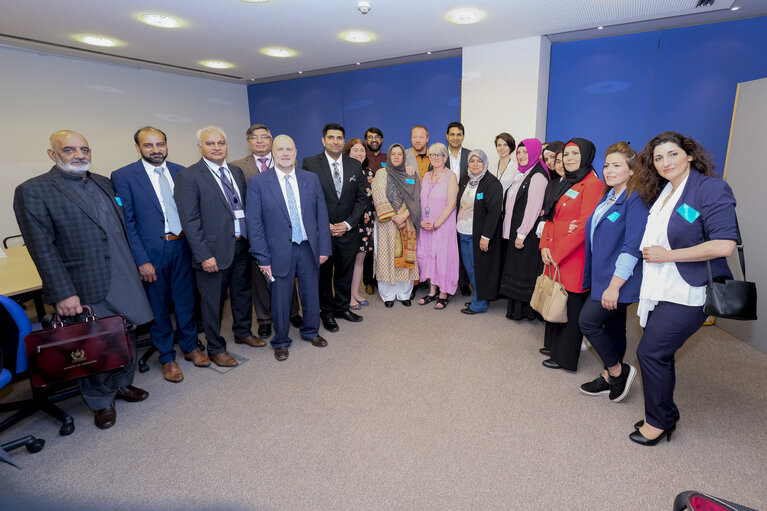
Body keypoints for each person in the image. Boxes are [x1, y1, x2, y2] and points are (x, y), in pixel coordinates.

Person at [13, 130, 153, 429]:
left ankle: (122, 384)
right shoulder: (34, 190)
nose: (80, 155)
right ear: (53, 154)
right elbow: (42, 248)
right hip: (83, 283)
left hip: (123, 275)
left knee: (124, 334)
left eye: (85, 149)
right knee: (94, 343)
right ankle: (101, 401)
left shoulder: (103, 182)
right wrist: (63, 293)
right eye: (69, 150)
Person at [630, 132, 737, 445]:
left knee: (650, 352)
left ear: (690, 155)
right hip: (660, 288)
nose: (666, 163)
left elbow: (724, 245)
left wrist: (668, 255)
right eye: (659, 158)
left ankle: (658, 422)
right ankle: (665, 414)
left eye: (673, 154)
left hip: (689, 290)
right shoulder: (664, 193)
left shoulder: (710, 189)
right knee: (660, 354)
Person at [111, 127, 205, 383]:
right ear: (138, 148)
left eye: (160, 144)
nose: (156, 150)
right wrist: (142, 260)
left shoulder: (180, 171)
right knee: (159, 306)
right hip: (152, 253)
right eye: (149, 145)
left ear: (166, 144)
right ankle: (166, 356)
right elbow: (127, 222)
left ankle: (190, 346)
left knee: (186, 302)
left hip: (183, 246)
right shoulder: (124, 176)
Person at [175, 126, 259, 368]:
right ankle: (215, 347)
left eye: (220, 143)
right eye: (210, 143)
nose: (216, 147)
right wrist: (204, 255)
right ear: (200, 147)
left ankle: (243, 332)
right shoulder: (189, 177)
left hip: (241, 245)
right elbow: (189, 221)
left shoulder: (235, 171)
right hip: (212, 253)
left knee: (242, 294)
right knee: (212, 303)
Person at [247, 135, 332, 361]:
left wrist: (324, 247)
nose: (285, 153)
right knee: (280, 299)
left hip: (307, 247)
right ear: (272, 153)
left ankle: (311, 331)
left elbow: (321, 216)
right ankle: (281, 341)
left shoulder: (310, 179)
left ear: (296, 152)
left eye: (289, 149)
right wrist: (262, 258)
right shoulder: (258, 182)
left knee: (311, 294)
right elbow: (254, 223)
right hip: (277, 252)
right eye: (280, 149)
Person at [578, 142, 651, 403]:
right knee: (615, 327)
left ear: (632, 170)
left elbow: (632, 246)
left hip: (619, 279)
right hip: (603, 274)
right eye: (606, 165)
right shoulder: (609, 197)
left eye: (616, 165)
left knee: (587, 322)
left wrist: (614, 286)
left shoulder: (635, 199)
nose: (609, 170)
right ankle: (609, 377)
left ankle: (619, 371)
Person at [231, 124, 301, 340]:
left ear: (272, 142)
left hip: (286, 231)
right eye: (254, 138)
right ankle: (264, 319)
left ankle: (292, 312)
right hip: (257, 231)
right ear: (248, 142)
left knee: (288, 273)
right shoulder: (237, 167)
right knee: (261, 278)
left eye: (264, 137)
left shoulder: (289, 161)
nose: (260, 141)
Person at [539, 138, 603, 370]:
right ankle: (553, 347)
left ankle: (565, 358)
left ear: (586, 155)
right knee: (555, 300)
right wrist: (545, 245)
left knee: (570, 307)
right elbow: (551, 217)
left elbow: (585, 225)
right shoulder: (566, 181)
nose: (569, 158)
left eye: (575, 153)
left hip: (573, 257)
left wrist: (557, 252)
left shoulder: (593, 184)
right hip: (554, 252)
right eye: (566, 154)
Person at [302, 123, 367, 332]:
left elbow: (361, 199)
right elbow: (306, 200)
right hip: (323, 233)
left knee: (344, 273)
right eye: (331, 138)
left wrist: (348, 223)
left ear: (343, 140)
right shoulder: (310, 163)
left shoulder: (355, 165)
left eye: (339, 138)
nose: (335, 141)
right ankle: (327, 313)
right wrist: (325, 225)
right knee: (324, 275)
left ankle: (342, 308)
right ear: (323, 140)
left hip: (348, 231)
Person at [498, 138, 550, 321]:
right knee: (516, 270)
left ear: (535, 153)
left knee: (523, 272)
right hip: (517, 232)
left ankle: (525, 312)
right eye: (519, 152)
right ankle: (515, 310)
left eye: (525, 152)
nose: (521, 156)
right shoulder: (523, 174)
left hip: (525, 234)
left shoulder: (537, 176)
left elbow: (533, 209)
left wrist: (521, 233)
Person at [371, 144, 421, 306]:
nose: (397, 156)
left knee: (406, 256)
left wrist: (404, 215)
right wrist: (394, 217)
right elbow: (378, 196)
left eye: (400, 154)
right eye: (394, 154)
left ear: (404, 157)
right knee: (386, 257)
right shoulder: (381, 173)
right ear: (389, 156)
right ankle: (388, 295)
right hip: (387, 223)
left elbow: (416, 197)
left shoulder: (410, 173)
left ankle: (404, 294)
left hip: (407, 221)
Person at [456, 149, 503, 315]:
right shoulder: (464, 180)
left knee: (478, 270)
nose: (475, 164)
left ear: (485, 163)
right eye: (472, 161)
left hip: (478, 236)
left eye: (479, 161)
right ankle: (479, 295)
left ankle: (479, 303)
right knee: (470, 269)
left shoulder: (492, 183)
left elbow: (494, 212)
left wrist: (485, 236)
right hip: (463, 232)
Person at [416, 143, 459, 310]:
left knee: (443, 257)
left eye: (439, 155)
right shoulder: (426, 176)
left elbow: (451, 203)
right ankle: (432, 291)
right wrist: (421, 221)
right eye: (432, 155)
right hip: (426, 225)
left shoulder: (451, 176)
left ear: (445, 158)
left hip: (442, 225)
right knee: (428, 256)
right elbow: (420, 201)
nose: (435, 158)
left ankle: (443, 293)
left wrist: (436, 224)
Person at [343, 138, 375, 310]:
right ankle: (346, 296)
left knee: (360, 258)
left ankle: (355, 292)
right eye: (355, 150)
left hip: (367, 222)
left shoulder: (369, 173)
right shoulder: (343, 171)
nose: (359, 153)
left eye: (361, 150)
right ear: (348, 152)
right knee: (348, 260)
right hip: (349, 223)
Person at [363, 127, 385, 295]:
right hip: (367, 209)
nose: (374, 139)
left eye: (376, 137)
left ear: (381, 140)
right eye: (370, 137)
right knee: (369, 246)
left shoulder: (387, 158)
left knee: (382, 245)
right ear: (366, 140)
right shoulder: (362, 158)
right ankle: (368, 281)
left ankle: (381, 278)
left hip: (385, 209)